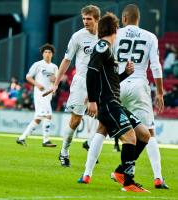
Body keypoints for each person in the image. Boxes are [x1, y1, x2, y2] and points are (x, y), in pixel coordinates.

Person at [79, 4, 169, 189]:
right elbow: (156, 65)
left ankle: (87, 173)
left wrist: (124, 75)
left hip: (117, 88)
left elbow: (103, 73)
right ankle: (156, 177)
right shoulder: (148, 37)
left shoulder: (115, 41)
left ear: (125, 19)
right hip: (136, 86)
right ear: (138, 19)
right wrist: (159, 92)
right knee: (147, 133)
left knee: (103, 129)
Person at [48, 5, 100, 166]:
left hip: (100, 82)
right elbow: (67, 60)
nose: (85, 22)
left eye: (89, 19)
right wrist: (56, 83)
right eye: (83, 18)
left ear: (97, 19)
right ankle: (64, 151)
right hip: (82, 82)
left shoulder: (107, 36)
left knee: (105, 118)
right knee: (76, 120)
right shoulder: (78, 36)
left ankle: (92, 145)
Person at [16, 43, 58, 147]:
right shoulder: (38, 64)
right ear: (42, 54)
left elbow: (55, 80)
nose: (47, 54)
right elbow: (28, 77)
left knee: (39, 118)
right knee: (48, 115)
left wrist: (55, 81)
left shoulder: (54, 67)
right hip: (40, 94)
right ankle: (46, 140)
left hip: (48, 95)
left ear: (52, 54)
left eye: (49, 52)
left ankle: (22, 138)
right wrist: (37, 84)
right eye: (45, 52)